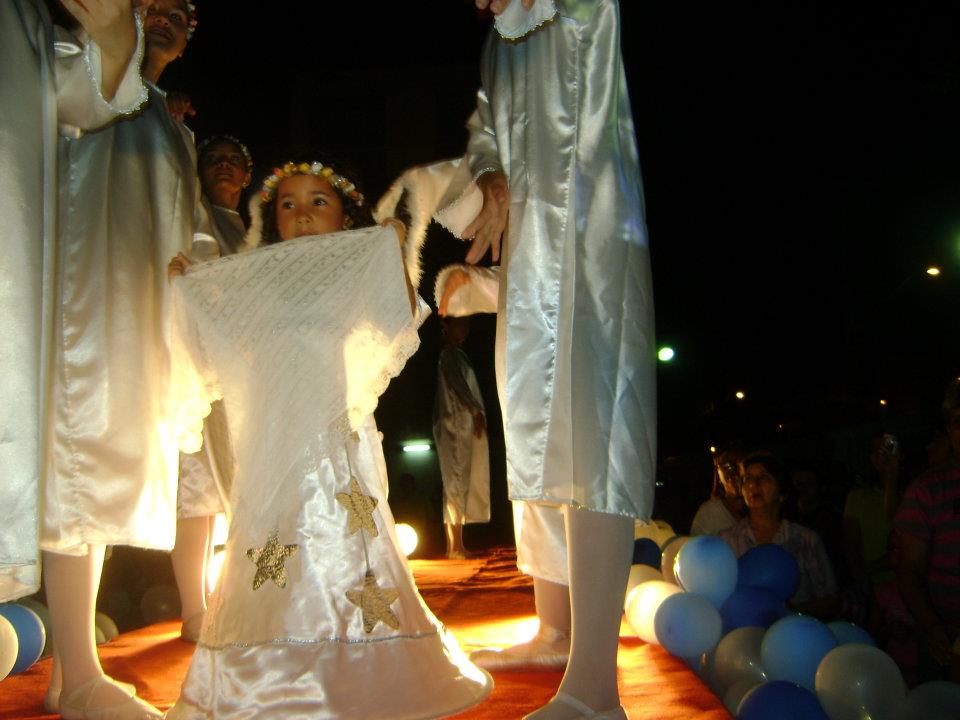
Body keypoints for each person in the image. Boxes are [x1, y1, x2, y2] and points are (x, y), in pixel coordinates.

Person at [164, 158, 492, 718]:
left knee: (342, 534)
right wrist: (187, 288)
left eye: (319, 202)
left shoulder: (350, 270)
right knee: (271, 541)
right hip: (271, 438)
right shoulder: (253, 279)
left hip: (334, 435)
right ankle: (268, 666)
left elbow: (396, 319)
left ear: (346, 216)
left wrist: (390, 253)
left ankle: (358, 661)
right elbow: (215, 339)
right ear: (271, 219)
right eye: (287, 204)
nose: (302, 215)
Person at [418, 2, 655, 717]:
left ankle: (595, 688)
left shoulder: (582, 8)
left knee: (594, 436)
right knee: (534, 426)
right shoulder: (500, 41)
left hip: (594, 245)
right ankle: (555, 628)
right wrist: (490, 177)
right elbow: (485, 129)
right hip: (529, 265)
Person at [37, 1, 213, 717]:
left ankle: (71, 672)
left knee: (103, 480)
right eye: (153, 5)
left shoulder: (170, 121)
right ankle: (80, 676)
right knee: (76, 473)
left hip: (142, 318)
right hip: (80, 300)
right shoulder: (75, 61)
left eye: (181, 13)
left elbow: (190, 230)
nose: (166, 19)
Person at [171, 135, 253, 643]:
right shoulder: (191, 215)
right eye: (213, 160)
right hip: (202, 368)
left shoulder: (256, 227)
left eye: (233, 161)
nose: (223, 167)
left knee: (250, 486)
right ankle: (193, 608)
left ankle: (244, 597)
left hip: (249, 374)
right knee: (197, 488)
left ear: (247, 174)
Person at [893, 379, 960, 682]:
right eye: (958, 422)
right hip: (947, 635)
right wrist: (932, 628)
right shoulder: (927, 489)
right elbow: (909, 570)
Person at [719, 452, 840, 620]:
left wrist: (791, 611)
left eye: (763, 477)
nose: (753, 484)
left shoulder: (806, 539)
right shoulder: (726, 541)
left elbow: (830, 599)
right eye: (748, 479)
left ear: (782, 493)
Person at [433, 316, 491, 558]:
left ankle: (455, 544)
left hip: (461, 423)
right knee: (456, 479)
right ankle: (455, 545)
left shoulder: (457, 355)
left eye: (467, 325)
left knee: (459, 479)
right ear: (447, 326)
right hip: (455, 424)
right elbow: (458, 384)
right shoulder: (448, 355)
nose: (464, 329)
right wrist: (475, 409)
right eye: (460, 324)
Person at [196, 134, 253, 254]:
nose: (224, 163)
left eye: (234, 159)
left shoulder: (254, 235)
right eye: (211, 158)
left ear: (247, 177)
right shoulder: (193, 215)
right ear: (199, 174)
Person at [690, 446, 746, 536]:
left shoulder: (760, 510)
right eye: (726, 466)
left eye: (739, 465)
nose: (734, 472)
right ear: (718, 474)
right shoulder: (708, 513)